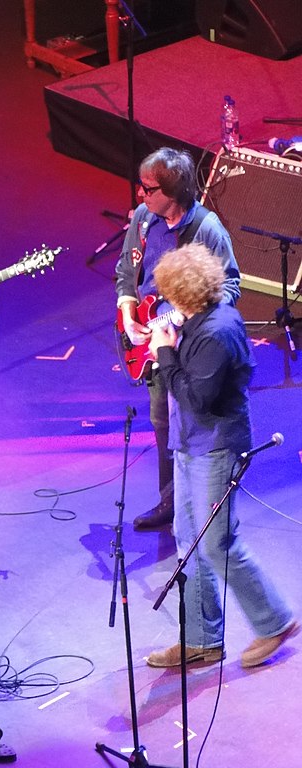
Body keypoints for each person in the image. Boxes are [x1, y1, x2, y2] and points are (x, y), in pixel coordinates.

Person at [145, 242, 298, 668]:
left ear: (185, 294)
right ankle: (202, 640)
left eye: (170, 295)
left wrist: (164, 352)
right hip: (190, 444)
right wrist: (167, 336)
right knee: (189, 541)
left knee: (217, 543)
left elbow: (196, 398)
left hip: (215, 448)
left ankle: (274, 620)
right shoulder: (199, 317)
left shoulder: (217, 332)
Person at [115, 147, 240, 531]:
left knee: (191, 426)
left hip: (190, 346)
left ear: (174, 191)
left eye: (149, 189)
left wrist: (185, 314)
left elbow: (231, 286)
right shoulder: (142, 218)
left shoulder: (206, 229)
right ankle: (170, 503)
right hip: (155, 343)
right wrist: (128, 316)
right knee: (162, 423)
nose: (141, 194)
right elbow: (126, 270)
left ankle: (197, 509)